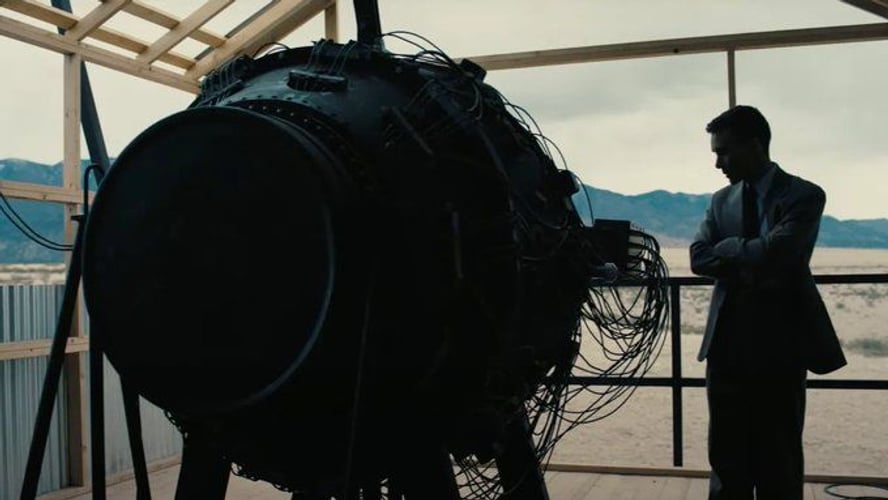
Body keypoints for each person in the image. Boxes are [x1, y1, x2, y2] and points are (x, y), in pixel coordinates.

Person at [690, 105, 846, 500]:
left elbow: (783, 252)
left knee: (779, 462)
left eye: (724, 152)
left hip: (781, 348)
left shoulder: (805, 195)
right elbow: (697, 257)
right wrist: (753, 255)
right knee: (726, 460)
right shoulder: (720, 200)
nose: (718, 164)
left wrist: (731, 249)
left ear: (755, 145)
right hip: (725, 349)